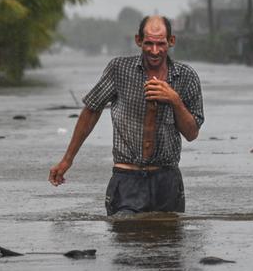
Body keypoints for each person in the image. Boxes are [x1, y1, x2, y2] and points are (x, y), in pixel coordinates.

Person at [49, 15, 204, 215]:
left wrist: (174, 100)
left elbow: (192, 133)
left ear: (171, 41)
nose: (155, 51)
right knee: (125, 239)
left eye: (160, 44)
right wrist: (67, 160)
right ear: (138, 41)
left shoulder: (186, 77)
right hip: (126, 178)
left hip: (167, 180)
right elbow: (91, 110)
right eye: (148, 43)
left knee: (168, 242)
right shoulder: (119, 70)